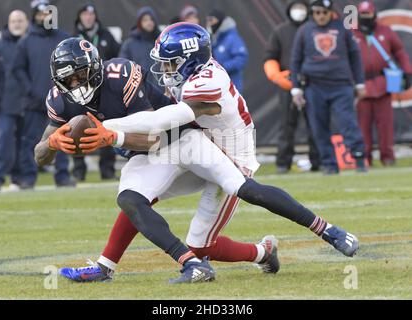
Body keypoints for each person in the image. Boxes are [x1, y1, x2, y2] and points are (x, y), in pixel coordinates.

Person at [61, 23, 359, 283]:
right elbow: (167, 125)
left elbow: (162, 120)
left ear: (190, 61)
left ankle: (322, 232)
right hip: (196, 144)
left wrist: (109, 131)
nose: (164, 70)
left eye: (170, 63)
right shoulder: (189, 77)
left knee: (239, 198)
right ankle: (107, 266)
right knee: (134, 196)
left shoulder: (205, 83)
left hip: (230, 151)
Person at [35, 37, 217, 284]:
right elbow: (40, 157)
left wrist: (111, 137)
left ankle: (191, 262)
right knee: (133, 201)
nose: (76, 85)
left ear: (95, 66)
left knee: (236, 196)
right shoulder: (59, 99)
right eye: (68, 80)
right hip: (145, 152)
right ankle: (259, 253)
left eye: (80, 75)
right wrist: (51, 144)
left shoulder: (120, 75)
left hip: (179, 141)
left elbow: (153, 138)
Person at [290, 0, 367, 175]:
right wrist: (296, 88)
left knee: (348, 122)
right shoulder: (304, 30)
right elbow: (295, 60)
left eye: (324, 12)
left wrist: (360, 82)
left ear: (331, 12)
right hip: (314, 86)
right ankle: (329, 164)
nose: (321, 16)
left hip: (341, 85)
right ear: (312, 14)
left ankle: (359, 158)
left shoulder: (343, 28)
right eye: (317, 13)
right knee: (319, 126)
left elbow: (355, 56)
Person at [12, 0, 74, 189]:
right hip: (34, 103)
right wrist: (31, 90)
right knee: (31, 140)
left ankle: (62, 177)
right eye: (40, 14)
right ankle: (29, 178)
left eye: (47, 14)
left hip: (61, 101)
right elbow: (18, 69)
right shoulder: (26, 41)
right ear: (35, 16)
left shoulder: (63, 38)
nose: (44, 17)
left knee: (63, 138)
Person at [353, 1, 412, 166]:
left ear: (374, 14)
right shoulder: (352, 34)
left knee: (385, 125)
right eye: (363, 14)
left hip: (382, 82)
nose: (366, 17)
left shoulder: (385, 31)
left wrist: (407, 72)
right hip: (361, 85)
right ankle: (365, 158)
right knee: (363, 126)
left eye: (368, 14)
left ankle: (387, 157)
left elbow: (400, 51)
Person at [264, 0, 320, 174]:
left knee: (316, 124)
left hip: (312, 84)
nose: (299, 11)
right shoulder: (280, 31)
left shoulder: (315, 28)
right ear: (289, 10)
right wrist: (277, 76)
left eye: (302, 8)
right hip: (288, 84)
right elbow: (270, 57)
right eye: (296, 8)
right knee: (287, 125)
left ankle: (319, 161)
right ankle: (283, 162)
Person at [73, 3, 120, 181]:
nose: (88, 18)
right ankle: (78, 171)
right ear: (80, 17)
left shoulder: (106, 35)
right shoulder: (74, 38)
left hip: (103, 90)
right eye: (85, 14)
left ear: (95, 17)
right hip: (80, 91)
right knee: (78, 128)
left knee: (106, 128)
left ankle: (107, 170)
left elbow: (118, 57)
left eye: (91, 15)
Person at [0, 10, 29, 191]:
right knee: (4, 139)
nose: (17, 23)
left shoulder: (31, 43)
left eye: (20, 20)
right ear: (8, 23)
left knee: (24, 141)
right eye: (14, 20)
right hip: (5, 102)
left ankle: (19, 178)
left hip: (28, 102)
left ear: (26, 22)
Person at [206, 9, 248, 92]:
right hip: (219, 88)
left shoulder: (232, 38)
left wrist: (222, 67)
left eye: (211, 20)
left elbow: (241, 58)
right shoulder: (213, 39)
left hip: (233, 87)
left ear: (220, 20)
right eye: (207, 20)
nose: (209, 23)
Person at [119, 6, 160, 75]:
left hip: (160, 84)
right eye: (145, 20)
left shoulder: (161, 42)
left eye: (151, 19)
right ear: (139, 23)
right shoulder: (129, 44)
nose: (149, 22)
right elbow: (123, 67)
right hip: (139, 84)